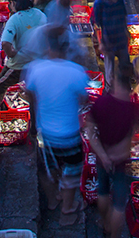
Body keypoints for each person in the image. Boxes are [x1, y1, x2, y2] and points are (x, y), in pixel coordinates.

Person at [24, 30, 90, 226]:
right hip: (69, 133)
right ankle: (67, 209)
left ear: (48, 47)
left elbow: (30, 95)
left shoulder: (35, 69)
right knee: (72, 169)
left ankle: (53, 200)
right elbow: (83, 99)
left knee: (47, 168)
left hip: (46, 133)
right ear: (66, 49)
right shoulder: (76, 72)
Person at [84, 64, 139, 238]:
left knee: (102, 191)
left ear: (114, 82)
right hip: (121, 159)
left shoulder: (101, 103)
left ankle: (106, 225)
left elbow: (89, 130)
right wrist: (120, 150)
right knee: (118, 203)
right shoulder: (132, 108)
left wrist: (103, 154)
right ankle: (115, 234)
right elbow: (135, 134)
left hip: (102, 158)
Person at [0, 0, 47, 106]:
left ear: (12, 3)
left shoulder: (15, 19)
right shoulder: (40, 14)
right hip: (38, 62)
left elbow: (6, 43)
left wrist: (11, 54)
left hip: (20, 64)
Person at [90, 0, 129, 82]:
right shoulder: (99, 3)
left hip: (121, 38)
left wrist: (127, 32)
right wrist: (100, 42)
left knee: (125, 67)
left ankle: (126, 87)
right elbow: (97, 25)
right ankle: (109, 90)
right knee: (109, 71)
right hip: (108, 41)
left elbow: (125, 16)